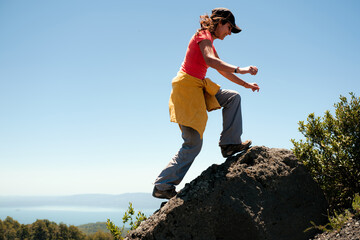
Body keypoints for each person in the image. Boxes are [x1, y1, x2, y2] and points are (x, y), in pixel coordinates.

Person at [153, 8, 260, 199]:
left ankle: (229, 144)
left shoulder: (209, 41)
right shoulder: (203, 36)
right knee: (193, 143)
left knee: (233, 97)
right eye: (229, 28)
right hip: (187, 89)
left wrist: (245, 84)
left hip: (199, 87)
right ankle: (163, 185)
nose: (229, 33)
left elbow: (221, 69)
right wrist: (241, 69)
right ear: (220, 23)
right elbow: (210, 61)